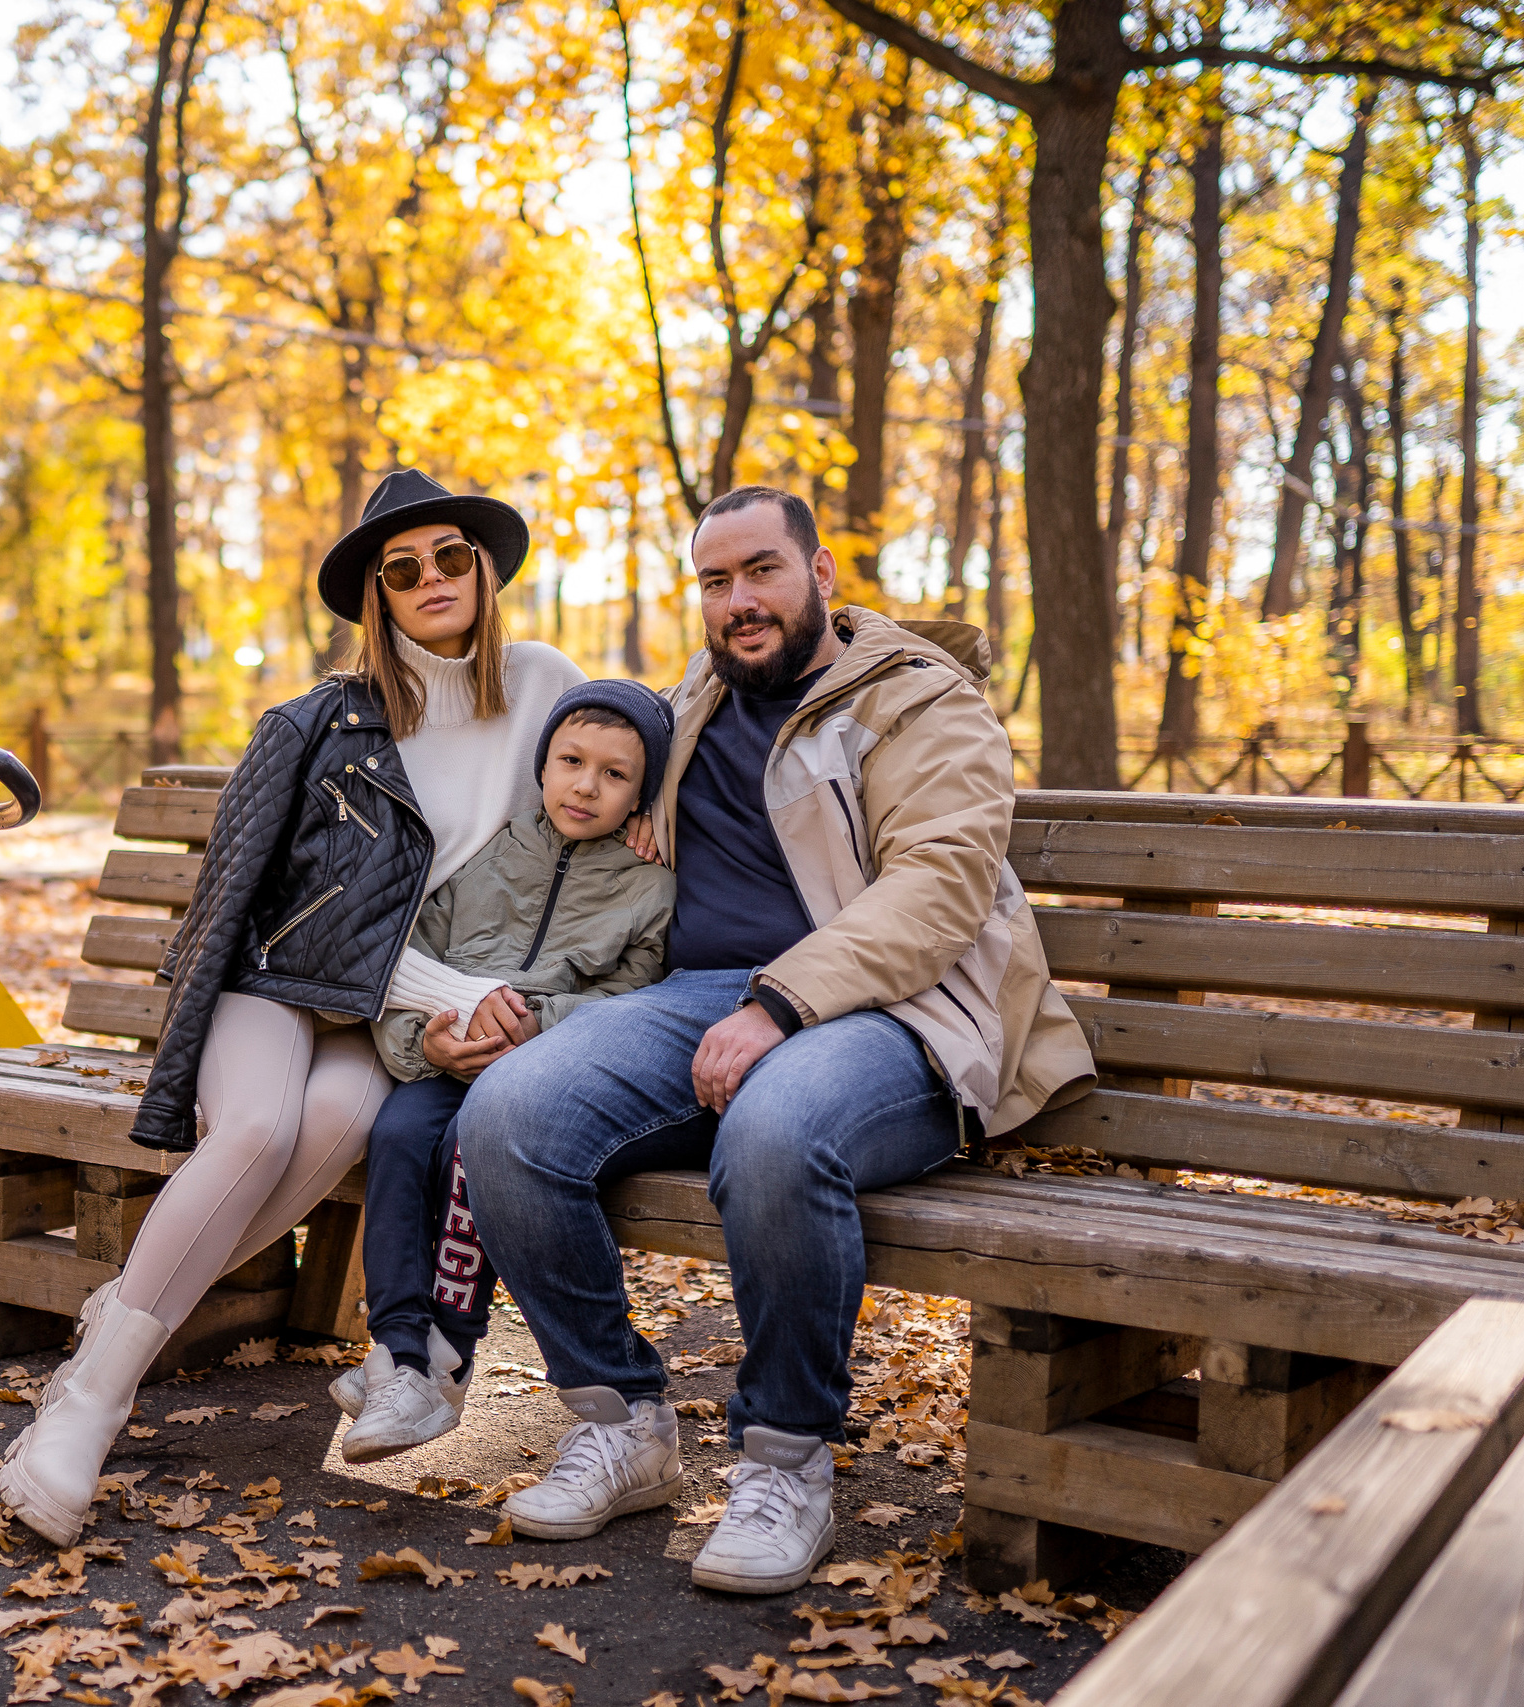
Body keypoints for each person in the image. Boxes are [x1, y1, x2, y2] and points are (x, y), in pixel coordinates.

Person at [454, 485, 1096, 1593]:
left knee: (776, 1131)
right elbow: (584, 786)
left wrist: (781, 1005)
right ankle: (620, 1423)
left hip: (895, 1010)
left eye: (762, 571)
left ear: (821, 574)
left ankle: (785, 1461)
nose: (739, 600)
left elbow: (939, 887)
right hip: (699, 997)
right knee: (507, 1112)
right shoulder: (696, 698)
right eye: (715, 580)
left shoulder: (920, 701)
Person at [0, 469, 586, 1546]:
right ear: (376, 596)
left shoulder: (546, 685)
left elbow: (627, 758)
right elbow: (248, 907)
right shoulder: (322, 722)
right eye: (401, 569)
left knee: (337, 1120)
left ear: (484, 570)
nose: (432, 579)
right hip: (274, 982)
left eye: (451, 556)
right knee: (260, 1128)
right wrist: (458, 997)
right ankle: (87, 1406)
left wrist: (646, 816)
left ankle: (115, 1319)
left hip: (380, 1023)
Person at [332, 679, 677, 1462]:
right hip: (447, 1055)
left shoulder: (649, 888)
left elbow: (635, 1003)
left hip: (537, 1072)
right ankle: (398, 1351)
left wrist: (537, 1029)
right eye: (571, 761)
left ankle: (445, 1356)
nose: (585, 786)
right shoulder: (489, 852)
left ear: (642, 794)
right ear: (542, 765)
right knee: (397, 1136)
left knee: (471, 1145)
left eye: (615, 774)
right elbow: (412, 963)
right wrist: (426, 1045)